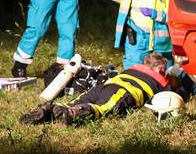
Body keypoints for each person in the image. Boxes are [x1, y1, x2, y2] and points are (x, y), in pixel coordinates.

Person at [19, 52, 180, 125]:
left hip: (104, 86)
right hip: (123, 92)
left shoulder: (133, 68)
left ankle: (52, 109)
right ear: (159, 70)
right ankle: (73, 114)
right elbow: (169, 97)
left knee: (77, 100)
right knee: (103, 108)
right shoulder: (161, 81)